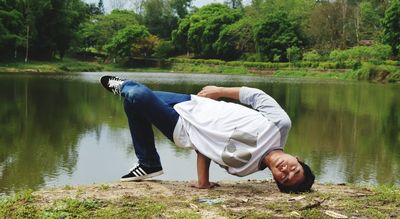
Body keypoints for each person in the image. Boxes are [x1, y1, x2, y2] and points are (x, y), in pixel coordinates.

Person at [100, 75, 315, 193]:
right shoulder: (279, 125)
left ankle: (125, 85)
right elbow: (256, 96)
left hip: (183, 129)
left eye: (285, 179)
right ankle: (148, 163)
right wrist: (219, 91)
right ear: (297, 159)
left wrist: (203, 182)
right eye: (294, 170)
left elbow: (208, 148)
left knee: (136, 94)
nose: (286, 171)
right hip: (195, 103)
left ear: (276, 180)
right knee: (133, 104)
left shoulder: (243, 168)